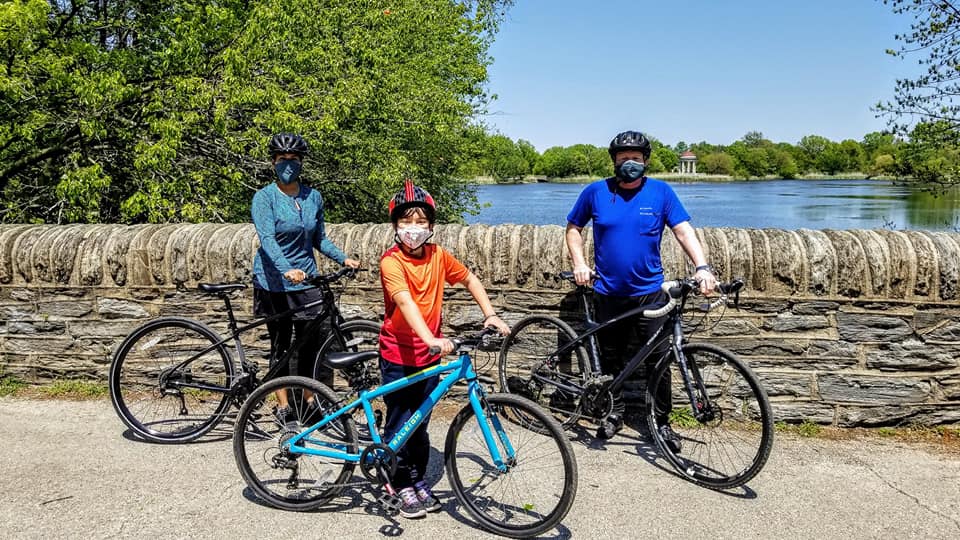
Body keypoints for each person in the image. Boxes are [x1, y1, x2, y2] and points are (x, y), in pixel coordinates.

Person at [565, 130, 717, 444]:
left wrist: (701, 267)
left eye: (635, 158)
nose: (629, 164)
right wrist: (580, 262)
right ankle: (613, 413)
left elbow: (684, 232)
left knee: (660, 363)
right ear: (614, 162)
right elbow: (573, 228)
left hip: (651, 294)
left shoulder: (661, 193)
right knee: (611, 361)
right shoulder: (595, 192)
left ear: (645, 161)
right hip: (608, 293)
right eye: (623, 159)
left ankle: (661, 423)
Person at [378, 179, 510, 519]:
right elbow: (405, 302)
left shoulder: (438, 255)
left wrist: (490, 314)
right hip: (399, 352)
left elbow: (469, 278)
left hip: (429, 355)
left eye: (421, 222)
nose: (413, 229)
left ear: (431, 227)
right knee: (400, 422)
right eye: (406, 221)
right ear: (395, 226)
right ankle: (397, 481)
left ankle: (417, 479)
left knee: (420, 424)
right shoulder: (391, 262)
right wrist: (430, 337)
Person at [251, 133, 360, 417]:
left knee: (311, 343)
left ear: (302, 163)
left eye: (294, 159)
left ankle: (311, 402)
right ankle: (284, 406)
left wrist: (344, 257)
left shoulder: (313, 198)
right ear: (274, 162)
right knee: (281, 345)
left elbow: (319, 239)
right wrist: (286, 269)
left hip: (307, 280)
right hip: (273, 282)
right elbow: (267, 238)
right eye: (283, 159)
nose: (289, 164)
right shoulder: (264, 198)